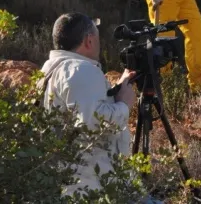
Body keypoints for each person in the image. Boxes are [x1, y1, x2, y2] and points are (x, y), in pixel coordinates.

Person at [40, 13, 137, 197]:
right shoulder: (81, 70)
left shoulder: (51, 68)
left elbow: (80, 105)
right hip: (92, 186)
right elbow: (94, 122)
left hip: (67, 182)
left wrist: (117, 88)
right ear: (89, 41)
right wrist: (124, 105)